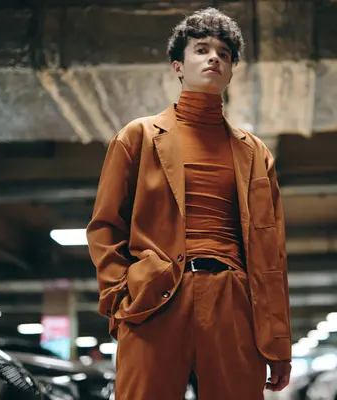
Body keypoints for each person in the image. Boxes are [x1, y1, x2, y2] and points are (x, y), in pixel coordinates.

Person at [86, 7, 292, 400]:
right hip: (155, 297)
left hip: (233, 302)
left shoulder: (254, 153)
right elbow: (105, 226)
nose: (214, 57)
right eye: (201, 49)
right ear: (178, 66)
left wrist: (278, 341)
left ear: (231, 71)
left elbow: (272, 254)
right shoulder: (138, 136)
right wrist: (120, 298)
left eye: (224, 54)